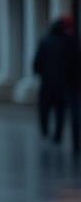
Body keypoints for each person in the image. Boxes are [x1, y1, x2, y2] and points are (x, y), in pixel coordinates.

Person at [33, 16, 80, 155]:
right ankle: (59, 135)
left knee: (45, 109)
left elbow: (37, 63)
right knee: (60, 111)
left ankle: (46, 131)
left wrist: (41, 73)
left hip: (48, 82)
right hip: (65, 83)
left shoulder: (45, 41)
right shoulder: (70, 42)